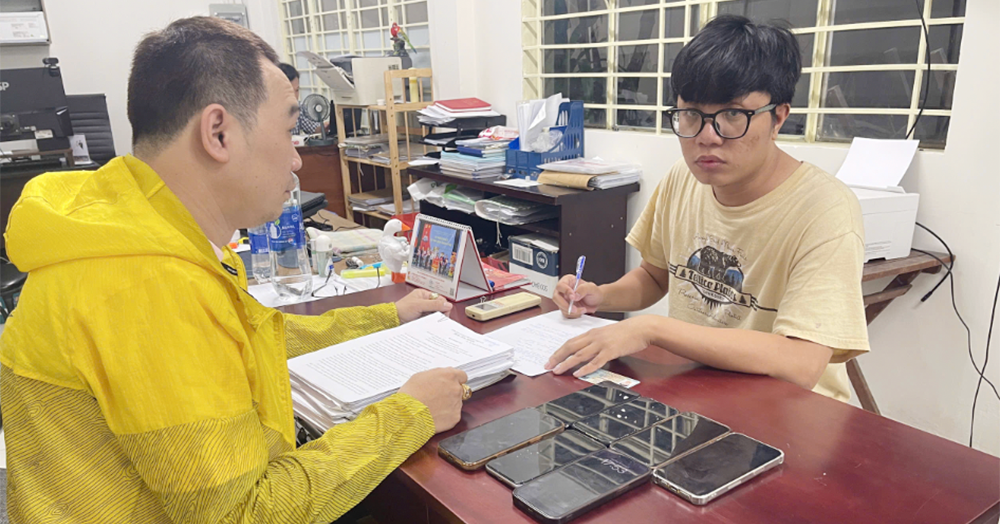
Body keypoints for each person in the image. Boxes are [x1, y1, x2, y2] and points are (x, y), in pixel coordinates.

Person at [0, 16, 465, 523]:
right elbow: (243, 514)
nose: (297, 161)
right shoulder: (149, 285)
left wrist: (385, 318)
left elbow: (248, 334)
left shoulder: (132, 229)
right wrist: (409, 414)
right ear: (218, 133)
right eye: (288, 131)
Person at [546, 15, 869, 402]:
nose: (707, 137)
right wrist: (600, 296)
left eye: (733, 115)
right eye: (691, 114)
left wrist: (651, 329)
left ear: (778, 118)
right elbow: (654, 277)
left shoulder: (824, 209)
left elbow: (800, 362)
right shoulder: (683, 180)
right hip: (695, 388)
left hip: (789, 409)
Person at [278, 62, 323, 135]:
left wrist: (328, 126)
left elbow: (313, 128)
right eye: (290, 91)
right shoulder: (267, 113)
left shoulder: (298, 107)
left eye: (297, 90)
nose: (294, 96)